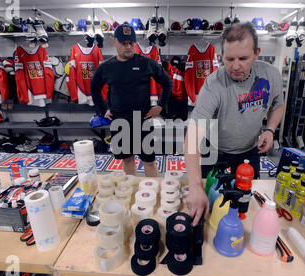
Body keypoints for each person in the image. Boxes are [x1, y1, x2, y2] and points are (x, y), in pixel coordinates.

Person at [184, 22, 285, 226]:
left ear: (257, 53)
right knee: (211, 209)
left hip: (249, 154)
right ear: (221, 55)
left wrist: (270, 130)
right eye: (229, 59)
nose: (236, 66)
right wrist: (194, 185)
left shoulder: (270, 75)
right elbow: (193, 136)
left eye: (243, 58)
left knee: (246, 210)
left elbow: (278, 104)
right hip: (215, 155)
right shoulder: (214, 84)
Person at [91, 24, 172, 177]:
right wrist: (102, 110)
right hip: (119, 121)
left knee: (149, 161)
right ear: (115, 42)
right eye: (124, 43)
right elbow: (94, 87)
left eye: (131, 43)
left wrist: (160, 106)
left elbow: (167, 83)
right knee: (127, 160)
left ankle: (152, 193)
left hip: (143, 120)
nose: (128, 47)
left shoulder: (146, 63)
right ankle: (132, 190)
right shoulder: (107, 67)